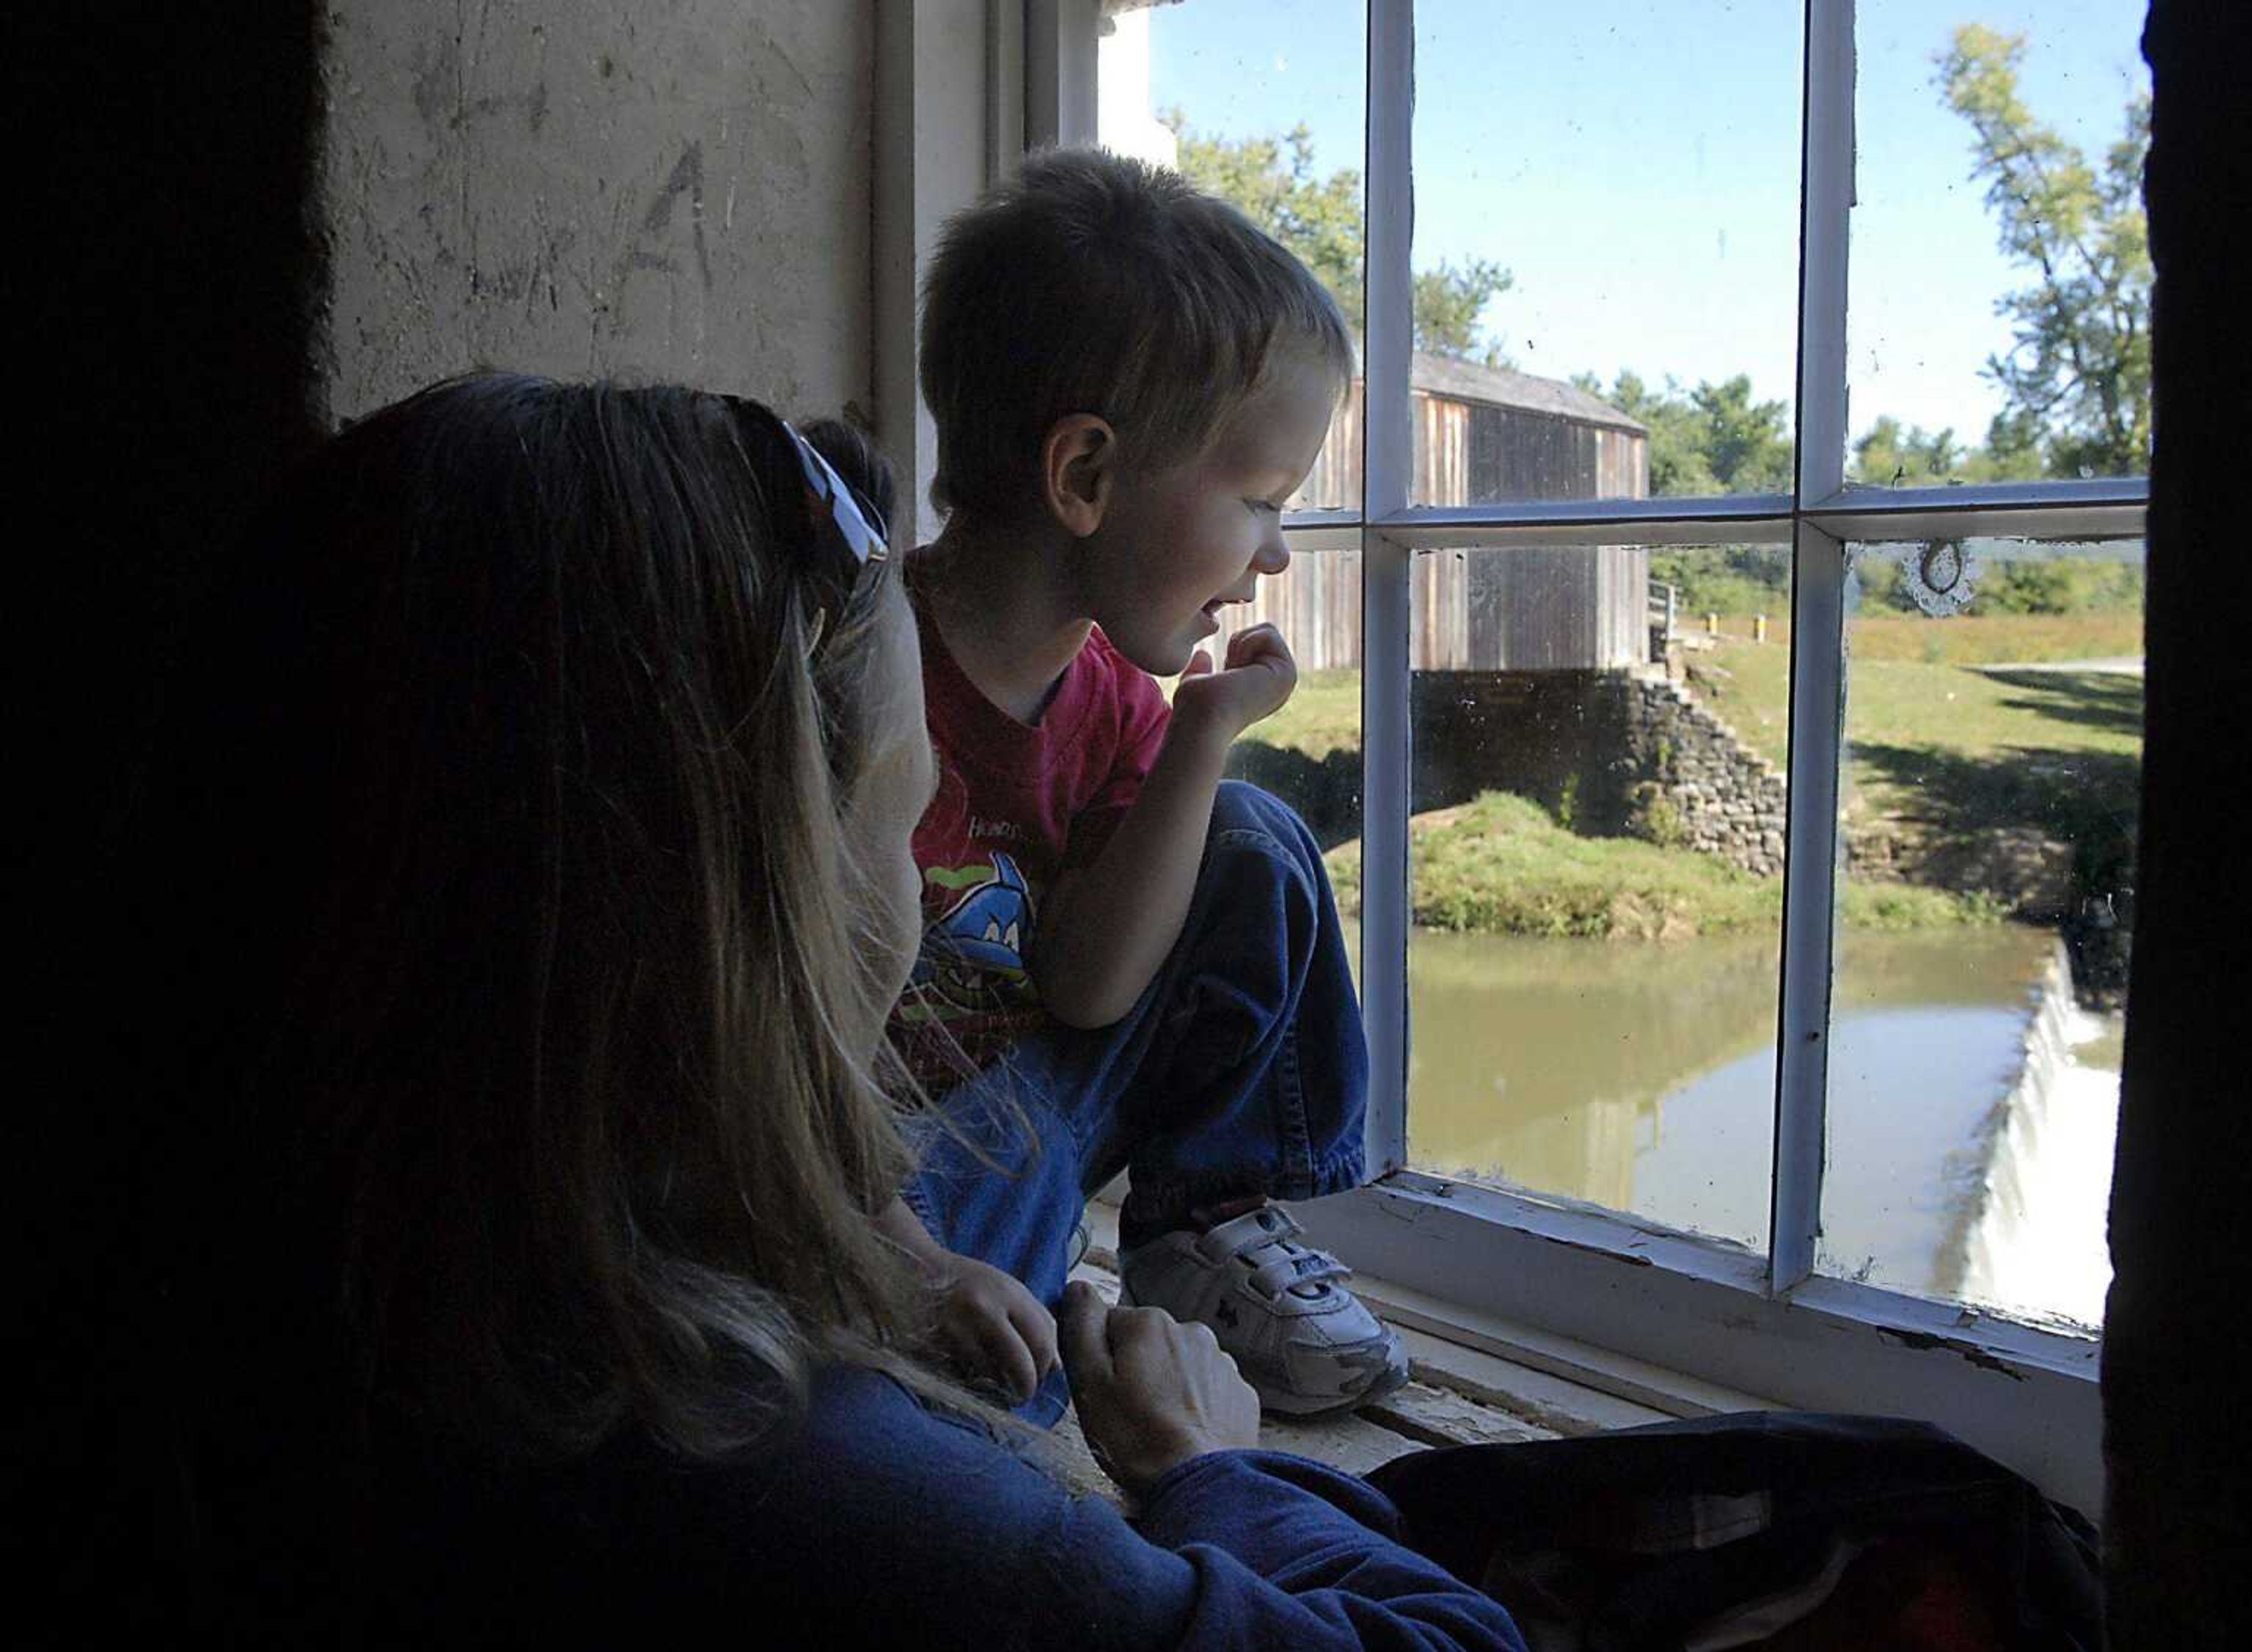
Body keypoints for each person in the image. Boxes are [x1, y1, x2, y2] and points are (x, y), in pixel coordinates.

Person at [126, 373, 1521, 1647]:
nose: (918, 907)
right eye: (898, 822)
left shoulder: (293, 1292)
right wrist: (1217, 1478)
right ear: (737, 907)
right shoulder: (805, 1488)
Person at [889, 147, 1404, 1425]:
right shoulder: (858, 677)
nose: (1277, 553)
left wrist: (1202, 737)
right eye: (1260, 501)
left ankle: (1199, 1224)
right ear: (1086, 479)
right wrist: (899, 1254)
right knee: (1001, 1391)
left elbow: (1088, 987)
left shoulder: (1115, 701)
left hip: (1033, 1096)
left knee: (1254, 835)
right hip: (870, 1152)